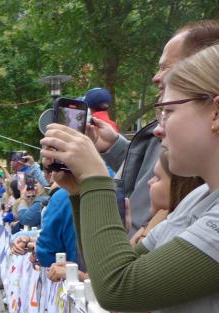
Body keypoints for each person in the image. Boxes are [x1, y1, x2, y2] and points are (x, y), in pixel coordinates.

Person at [40, 43, 219, 313]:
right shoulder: (200, 197)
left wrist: (95, 176)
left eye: (168, 111)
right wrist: (79, 191)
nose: (159, 128)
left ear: (216, 112)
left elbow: (120, 287)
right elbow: (111, 270)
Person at [89, 20, 219, 234]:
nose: (156, 77)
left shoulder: (200, 188)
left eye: (166, 67)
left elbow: (124, 264)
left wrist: (90, 176)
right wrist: (114, 147)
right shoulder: (197, 196)